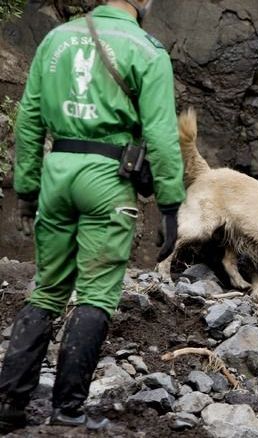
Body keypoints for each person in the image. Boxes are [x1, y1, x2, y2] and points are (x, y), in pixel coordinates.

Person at [0, 0, 184, 431]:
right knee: (97, 294)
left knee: (46, 289)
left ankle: (9, 403)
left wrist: (27, 188)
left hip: (58, 172)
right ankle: (67, 410)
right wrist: (171, 205)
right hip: (107, 178)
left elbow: (28, 119)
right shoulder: (148, 49)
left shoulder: (55, 38)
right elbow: (160, 134)